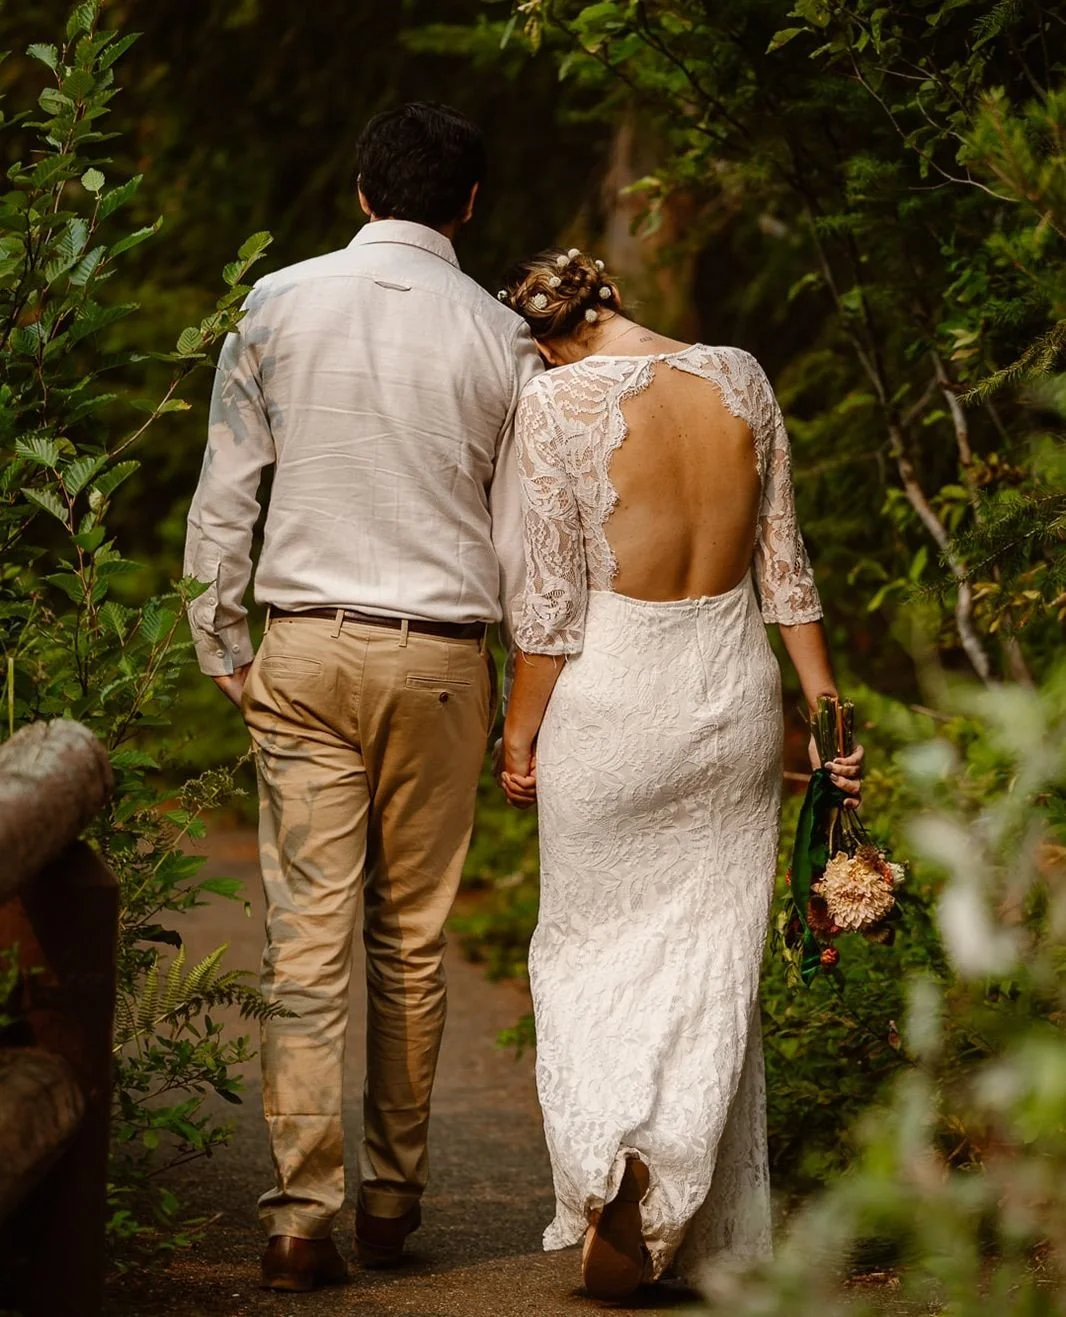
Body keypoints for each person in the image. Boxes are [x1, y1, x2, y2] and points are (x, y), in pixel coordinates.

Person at [183, 103, 541, 1294]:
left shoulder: (275, 305)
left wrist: (220, 634)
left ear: (358, 192)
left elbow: (227, 487)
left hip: (303, 647)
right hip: (441, 658)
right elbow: (523, 542)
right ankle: (390, 1201)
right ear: (469, 205)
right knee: (412, 939)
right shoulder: (504, 339)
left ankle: (299, 1220)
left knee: (306, 942)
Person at [497, 249, 863, 1300]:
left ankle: (616, 1162)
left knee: (589, 945)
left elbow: (553, 606)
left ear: (543, 339)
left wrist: (520, 737)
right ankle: (676, 1189)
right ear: (611, 298)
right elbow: (784, 567)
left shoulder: (555, 402)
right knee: (710, 960)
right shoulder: (739, 375)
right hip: (733, 696)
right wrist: (825, 719)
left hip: (612, 700)